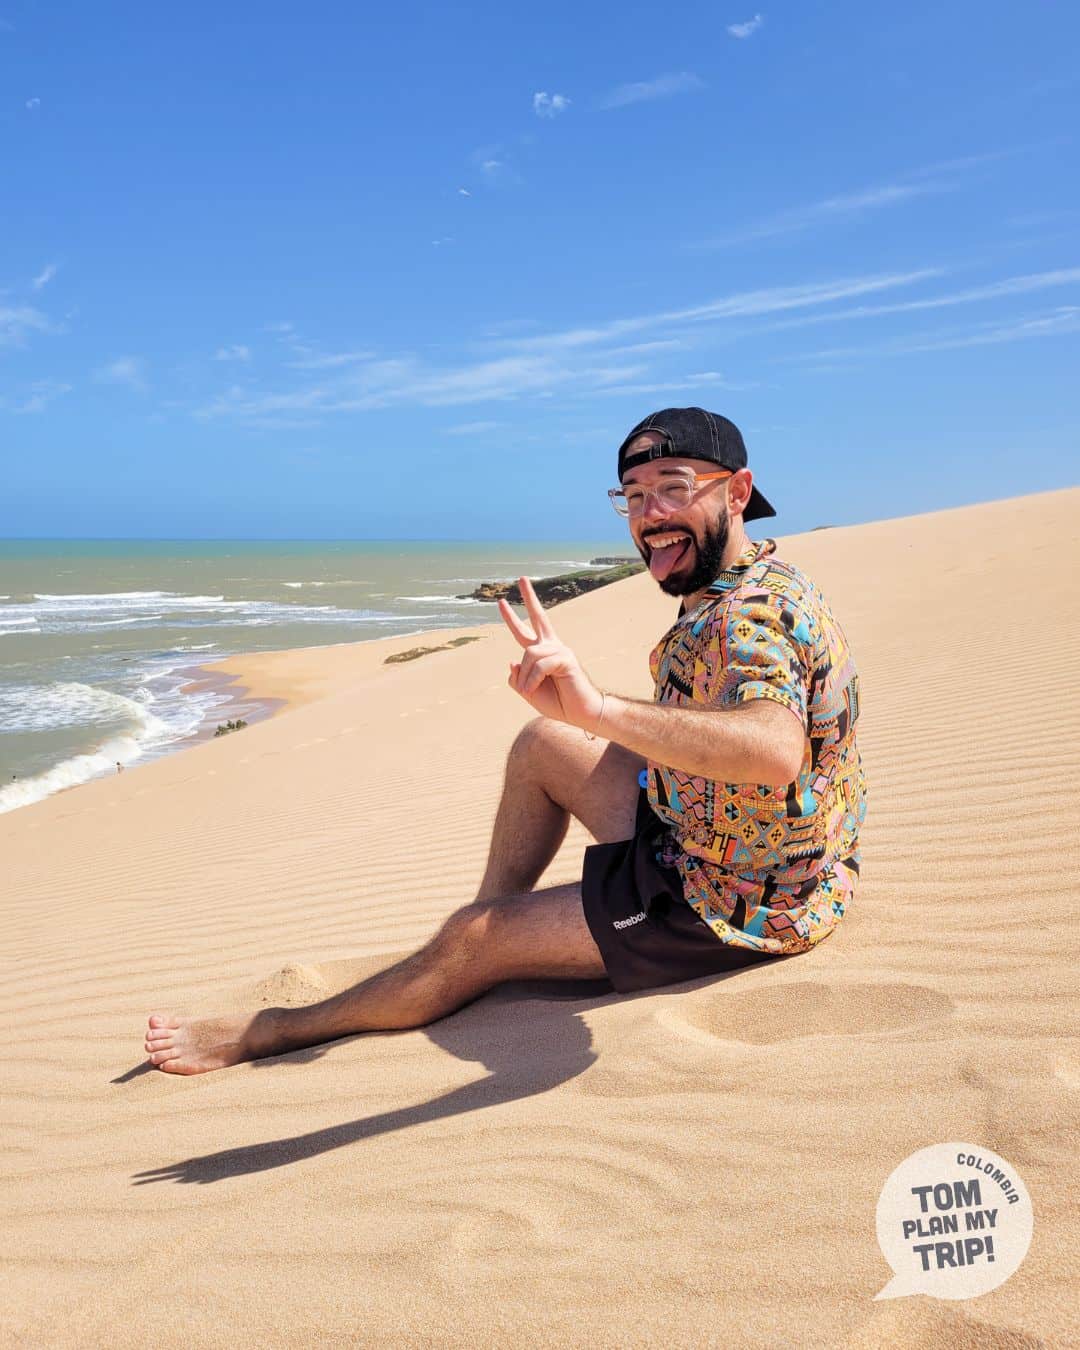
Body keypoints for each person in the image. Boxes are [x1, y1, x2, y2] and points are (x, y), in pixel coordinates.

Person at [144, 407, 866, 1074]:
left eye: (673, 488)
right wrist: (581, 720)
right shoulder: (747, 577)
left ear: (738, 491)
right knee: (543, 744)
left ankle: (285, 1026)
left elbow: (772, 750)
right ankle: (477, 948)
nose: (651, 516)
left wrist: (599, 708)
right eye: (634, 496)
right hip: (729, 834)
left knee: (477, 935)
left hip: (737, 900)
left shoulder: (748, 617)